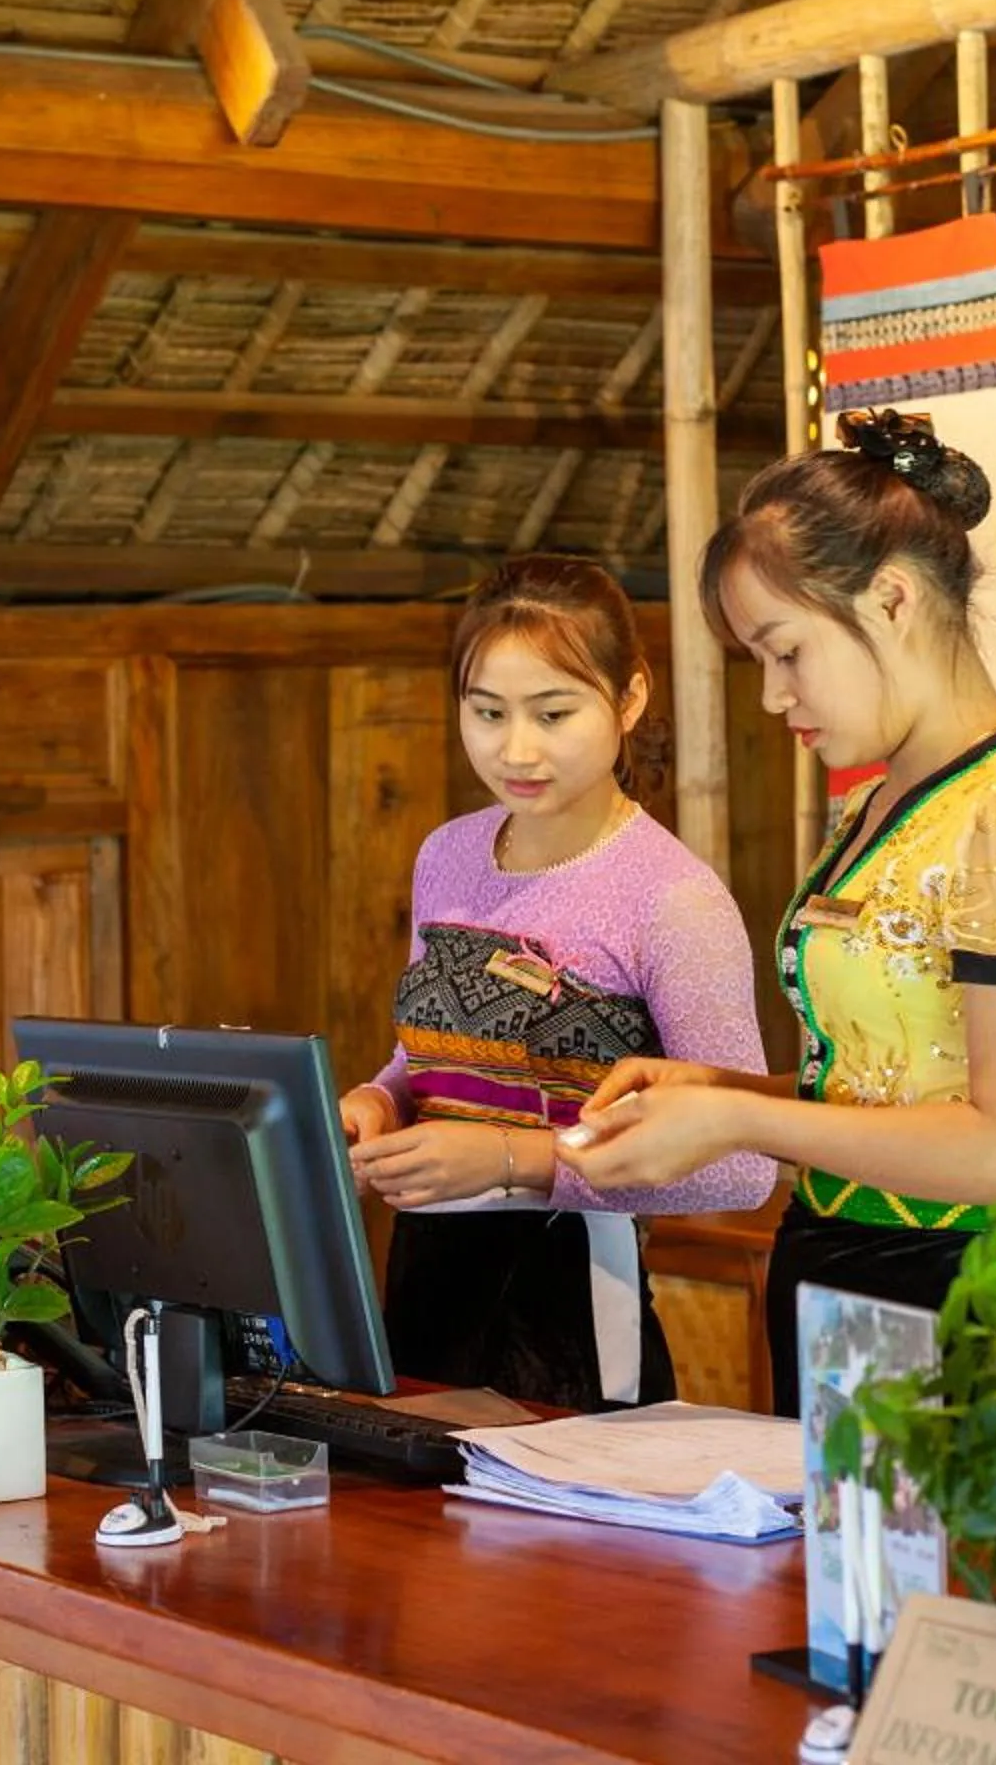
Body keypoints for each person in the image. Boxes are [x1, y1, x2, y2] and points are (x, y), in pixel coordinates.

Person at [557, 411, 996, 1414]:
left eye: (787, 651)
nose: (775, 697)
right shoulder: (879, 804)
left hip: (967, 1294)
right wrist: (714, 1084)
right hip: (836, 1265)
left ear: (891, 596)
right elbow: (890, 1080)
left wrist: (735, 1115)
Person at [343, 555, 775, 1412]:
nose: (517, 749)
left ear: (630, 700)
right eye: (487, 713)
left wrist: (520, 1162)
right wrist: (381, 1101)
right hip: (422, 1290)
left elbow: (742, 1168)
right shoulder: (450, 852)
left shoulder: (674, 900)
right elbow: (429, 1052)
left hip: (573, 1311)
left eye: (553, 713)